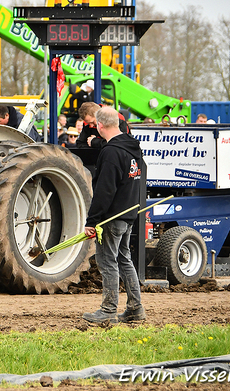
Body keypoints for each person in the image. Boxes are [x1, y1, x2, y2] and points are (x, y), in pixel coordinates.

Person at [82, 107, 145, 324]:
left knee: (107, 261)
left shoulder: (110, 152)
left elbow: (104, 191)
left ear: (99, 125)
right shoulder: (132, 148)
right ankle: (135, 309)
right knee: (124, 259)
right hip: (128, 214)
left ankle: (108, 311)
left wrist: (92, 221)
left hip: (112, 217)